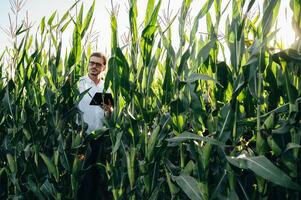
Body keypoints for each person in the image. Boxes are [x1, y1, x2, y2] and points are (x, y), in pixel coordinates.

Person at [77, 52, 112, 200]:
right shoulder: (79, 84)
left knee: (100, 179)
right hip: (83, 140)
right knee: (85, 180)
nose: (93, 66)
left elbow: (109, 116)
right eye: (91, 63)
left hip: (102, 139)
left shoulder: (107, 87)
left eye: (98, 64)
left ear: (104, 67)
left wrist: (109, 111)